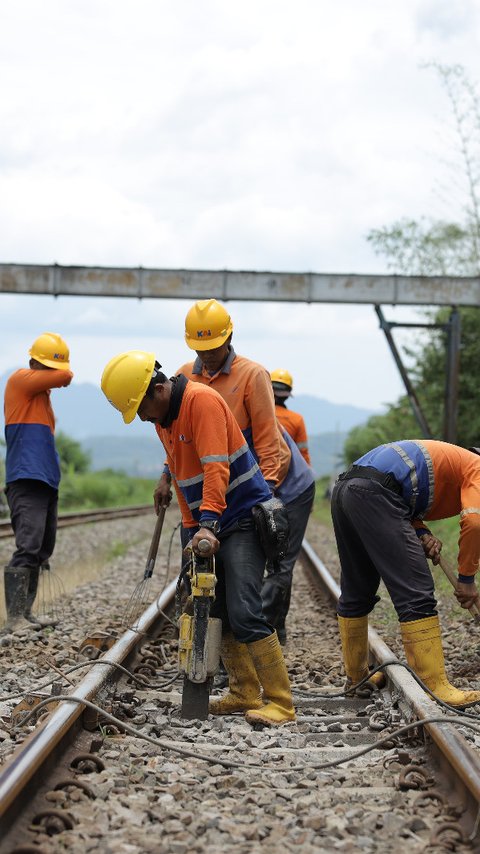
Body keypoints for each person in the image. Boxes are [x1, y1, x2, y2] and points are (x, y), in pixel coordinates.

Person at [100, 349, 295, 726]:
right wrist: (193, 532)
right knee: (216, 606)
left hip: (239, 518)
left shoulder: (200, 401)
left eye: (139, 408)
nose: (140, 418)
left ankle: (282, 704)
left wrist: (207, 525)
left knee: (244, 608)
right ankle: (243, 692)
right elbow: (182, 477)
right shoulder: (165, 420)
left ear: (157, 391)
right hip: (211, 521)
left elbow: (215, 469)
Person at [170, 299, 316, 646]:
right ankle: (230, 646)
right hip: (233, 485)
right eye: (199, 348)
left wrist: (265, 497)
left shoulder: (252, 375)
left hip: (284, 485)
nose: (206, 355)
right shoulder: (184, 377)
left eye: (213, 347)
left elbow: (269, 443)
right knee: (217, 566)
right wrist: (166, 474)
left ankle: (269, 638)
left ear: (229, 336)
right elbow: (181, 438)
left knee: (271, 566)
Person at [331, 439, 480, 708]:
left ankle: (356, 678)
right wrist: (467, 580)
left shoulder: (452, 462)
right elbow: (474, 521)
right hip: (374, 494)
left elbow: (400, 495)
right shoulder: (477, 467)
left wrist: (421, 532)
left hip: (348, 490)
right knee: (416, 588)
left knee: (357, 588)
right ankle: (434, 687)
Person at [3, 333, 73, 632]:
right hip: (26, 479)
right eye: (45, 368)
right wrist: (57, 371)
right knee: (28, 546)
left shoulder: (41, 401)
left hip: (45, 481)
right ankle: (15, 619)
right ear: (32, 363)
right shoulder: (20, 381)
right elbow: (66, 375)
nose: (51, 376)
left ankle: (27, 614)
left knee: (43, 547)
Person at [270, 369, 311, 466]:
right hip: (287, 472)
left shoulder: (255, 413)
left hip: (258, 470)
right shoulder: (297, 419)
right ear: (287, 394)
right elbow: (303, 452)